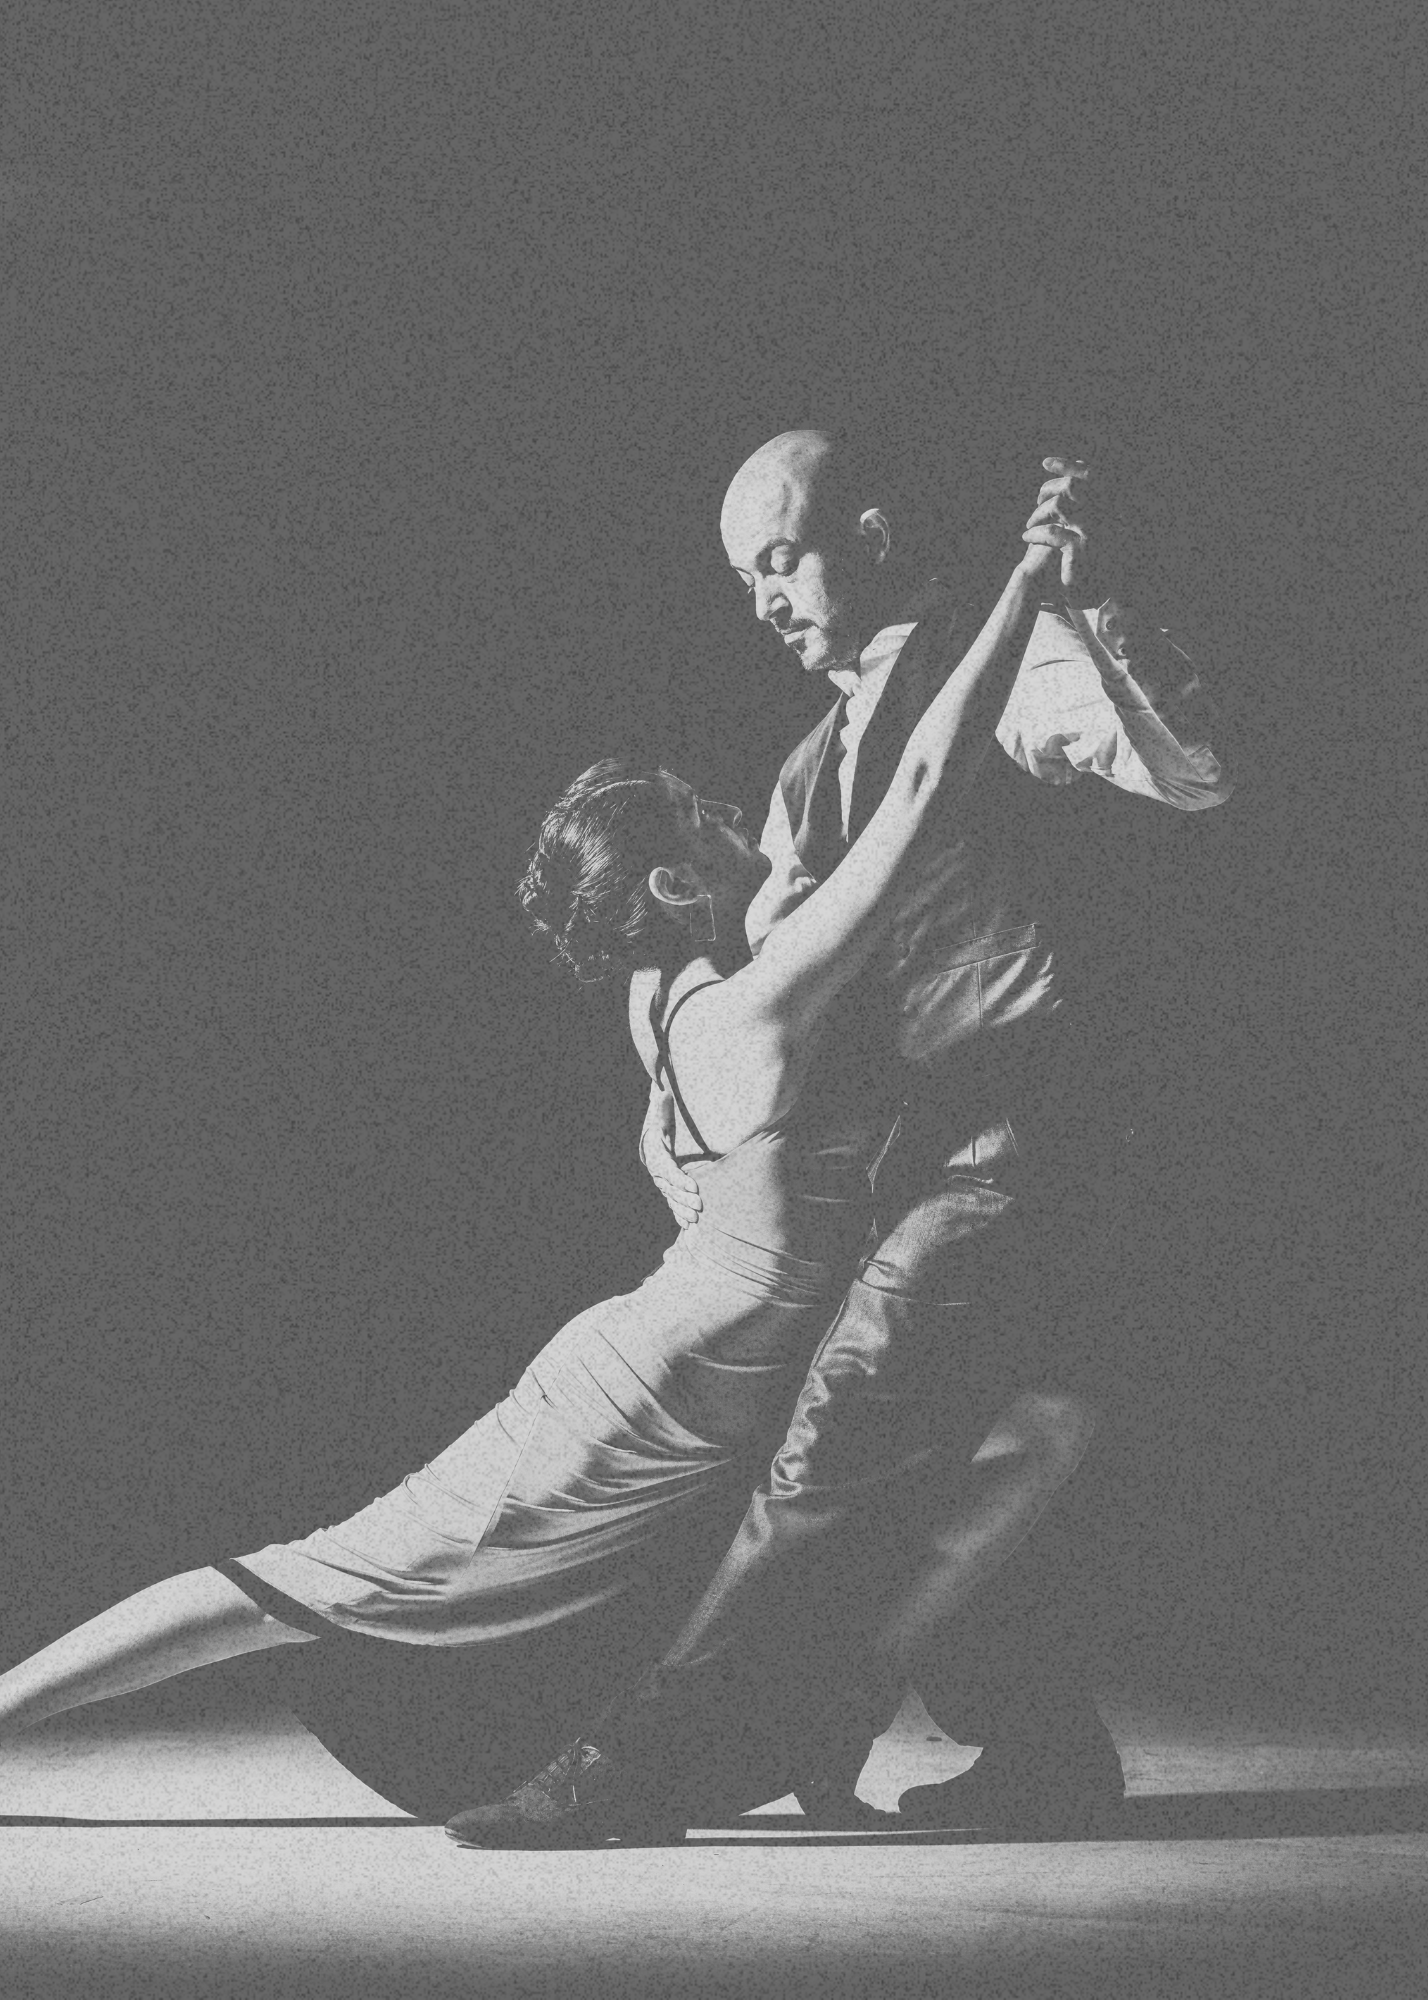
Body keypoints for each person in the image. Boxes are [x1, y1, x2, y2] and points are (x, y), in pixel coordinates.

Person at [0, 523, 1075, 1835]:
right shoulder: (757, 1010)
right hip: (648, 1400)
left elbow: (673, 1162)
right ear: (669, 874)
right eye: (707, 819)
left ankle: (824, 1731)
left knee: (1029, 1437)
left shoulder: (661, 1004)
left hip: (682, 1357)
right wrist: (1020, 586)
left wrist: (743, 1245)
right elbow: (923, 780)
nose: (737, 824)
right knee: (309, 1582)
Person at [446, 435, 1231, 1848]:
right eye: (740, 579)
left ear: (868, 532)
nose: (761, 601)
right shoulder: (810, 766)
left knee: (846, 1433)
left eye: (780, 560)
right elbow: (772, 970)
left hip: (1026, 1134)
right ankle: (1043, 1745)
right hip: (931, 1158)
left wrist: (1095, 613)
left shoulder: (1005, 664)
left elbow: (1190, 771)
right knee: (988, 1441)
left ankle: (641, 1770)